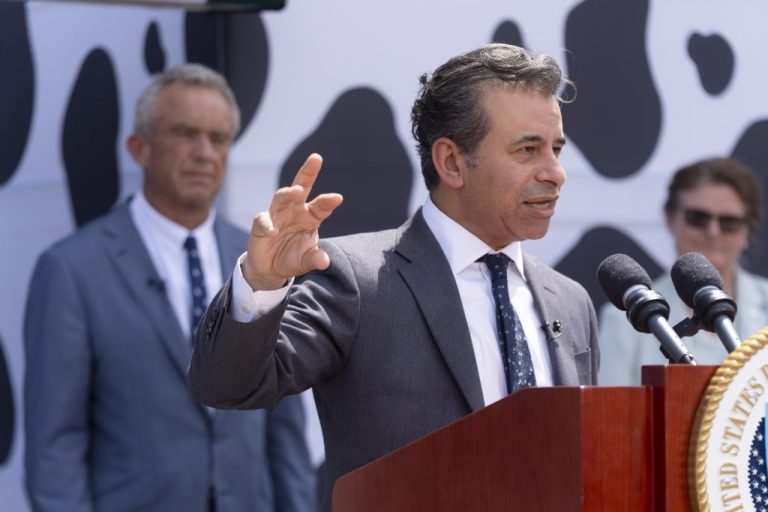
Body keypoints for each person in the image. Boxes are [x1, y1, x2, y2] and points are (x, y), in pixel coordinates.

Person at [187, 44, 599, 511]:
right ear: (451, 162)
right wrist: (260, 283)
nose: (556, 173)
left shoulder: (570, 301)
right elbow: (226, 386)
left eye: (556, 149)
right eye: (528, 150)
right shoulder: (359, 279)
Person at [23, 64, 316, 512]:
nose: (204, 152)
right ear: (139, 148)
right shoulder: (69, 271)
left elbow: (285, 430)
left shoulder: (262, 259)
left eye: (218, 138)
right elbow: (54, 446)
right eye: (185, 133)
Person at [599, 157, 768, 385]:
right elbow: (611, 412)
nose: (713, 231)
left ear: (747, 230)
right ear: (670, 219)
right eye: (698, 218)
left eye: (729, 222)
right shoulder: (624, 318)